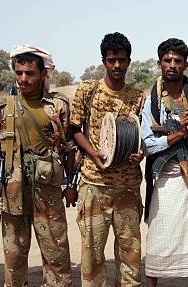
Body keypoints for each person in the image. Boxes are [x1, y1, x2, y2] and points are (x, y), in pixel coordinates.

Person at [0, 45, 75, 286]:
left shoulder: (58, 106)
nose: (23, 79)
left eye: (30, 73)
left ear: (42, 74)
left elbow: (70, 148)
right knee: (14, 256)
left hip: (48, 192)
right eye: (19, 73)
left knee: (56, 254)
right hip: (13, 191)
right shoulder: (4, 108)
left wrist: (71, 184)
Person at [70, 32, 145, 286]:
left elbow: (140, 136)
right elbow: (75, 129)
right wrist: (93, 152)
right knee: (92, 255)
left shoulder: (137, 97)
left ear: (129, 61)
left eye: (122, 60)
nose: (117, 66)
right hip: (94, 185)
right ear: (104, 60)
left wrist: (138, 154)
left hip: (128, 187)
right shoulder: (88, 90)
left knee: (130, 255)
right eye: (112, 60)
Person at [141, 38, 188, 287]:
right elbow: (148, 144)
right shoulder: (151, 99)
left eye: (178, 61)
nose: (172, 65)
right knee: (159, 235)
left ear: (185, 64)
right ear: (159, 63)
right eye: (167, 60)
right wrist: (177, 135)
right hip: (166, 176)